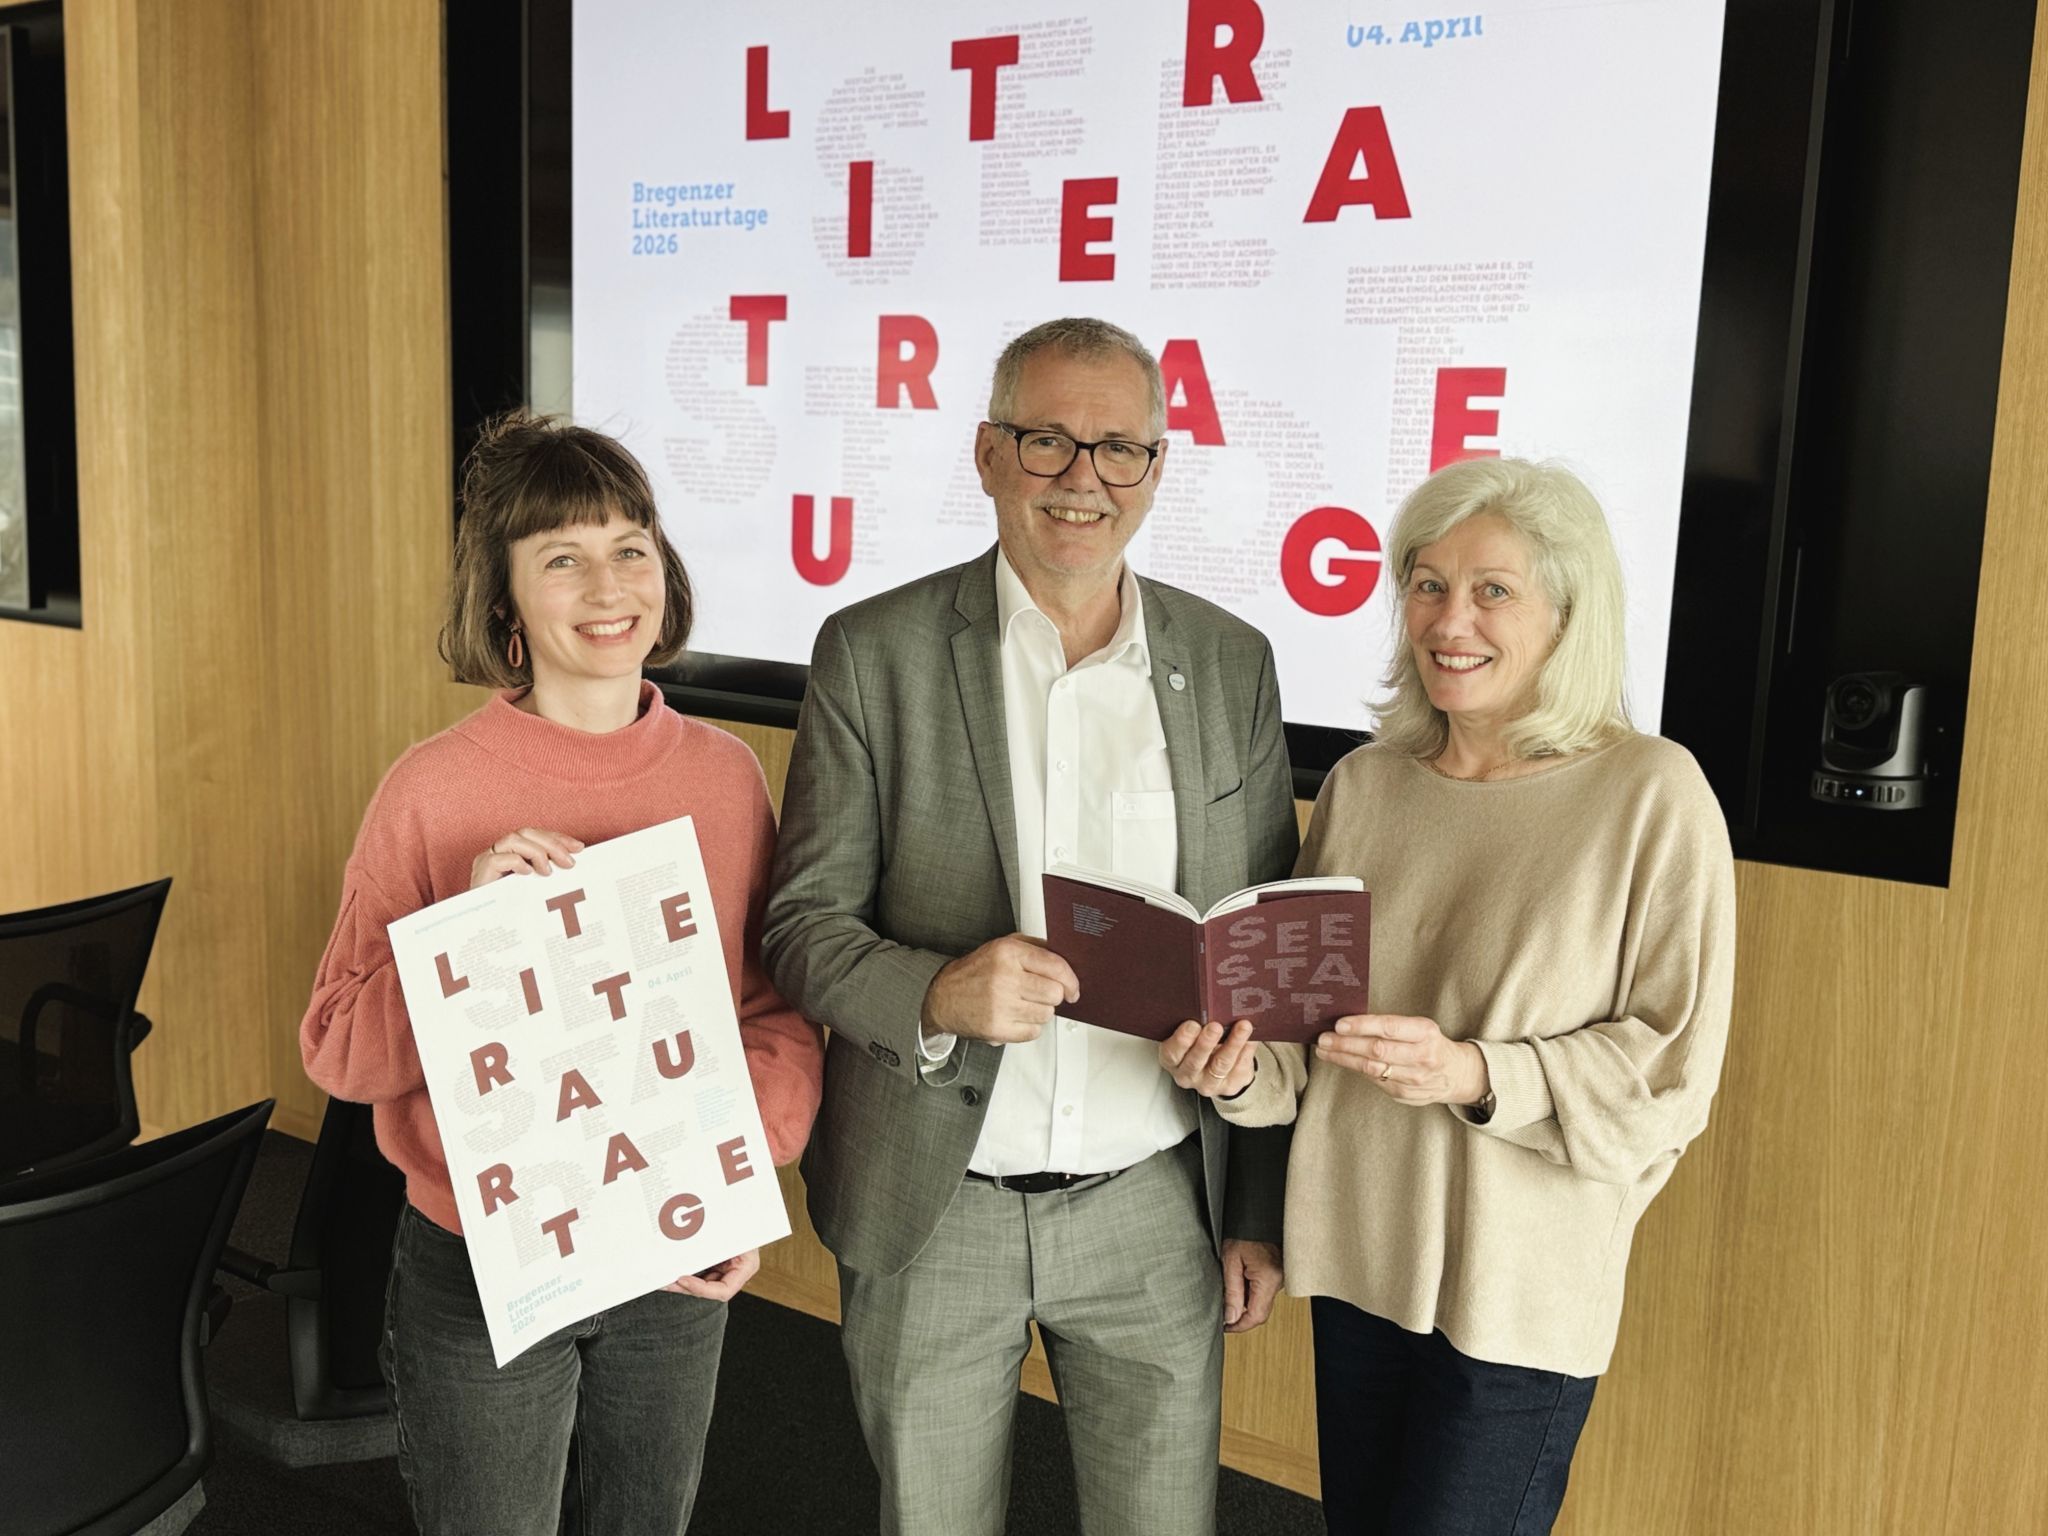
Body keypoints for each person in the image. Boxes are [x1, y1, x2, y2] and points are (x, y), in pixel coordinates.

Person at [762, 317, 1299, 1536]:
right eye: (1046, 440)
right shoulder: (873, 652)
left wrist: (1252, 1205)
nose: (1081, 479)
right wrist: (935, 995)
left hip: (1156, 1203)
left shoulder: (1231, 664)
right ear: (987, 454)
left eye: (1117, 450)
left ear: (1156, 470)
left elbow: (1262, 955)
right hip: (933, 1202)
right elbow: (800, 924)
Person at [1163, 456, 1736, 1534]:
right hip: (1361, 1264)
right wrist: (1234, 1073)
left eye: (1491, 590)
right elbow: (1299, 1035)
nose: (1446, 618)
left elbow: (1667, 1073)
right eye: (1424, 583)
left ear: (1569, 615)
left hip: (1519, 1293)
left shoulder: (1651, 794)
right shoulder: (1364, 785)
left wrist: (1474, 1072)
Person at [299, 413, 824, 1536]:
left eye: (629, 546)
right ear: (506, 604)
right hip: (478, 1261)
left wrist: (744, 1175)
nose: (607, 584)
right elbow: (339, 1046)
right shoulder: (431, 790)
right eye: (562, 558)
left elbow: (772, 1015)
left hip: (674, 1253)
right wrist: (473, 936)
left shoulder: (726, 777)